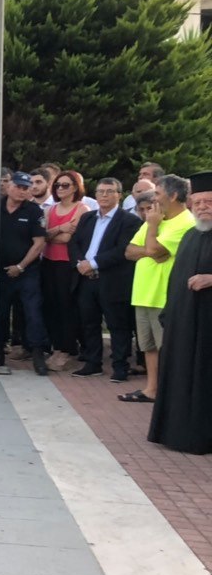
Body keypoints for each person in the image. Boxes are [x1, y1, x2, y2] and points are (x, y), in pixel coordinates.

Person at [148, 171, 212, 454]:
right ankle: (177, 432)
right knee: (181, 376)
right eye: (197, 202)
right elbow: (176, 279)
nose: (202, 207)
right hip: (184, 323)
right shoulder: (190, 236)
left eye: (208, 202)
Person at [120, 174, 195, 404]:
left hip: (163, 295)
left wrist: (152, 228)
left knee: (168, 348)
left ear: (173, 196)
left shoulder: (184, 222)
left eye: (158, 194)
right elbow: (130, 251)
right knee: (149, 346)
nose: (154, 200)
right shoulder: (156, 217)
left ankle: (170, 394)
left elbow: (153, 250)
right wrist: (151, 248)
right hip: (143, 293)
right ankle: (152, 389)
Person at [0, 171, 50, 375]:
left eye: (25, 188)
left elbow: (39, 243)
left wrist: (20, 266)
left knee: (33, 312)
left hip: (27, 271)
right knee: (0, 313)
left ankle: (38, 353)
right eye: (18, 186)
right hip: (0, 271)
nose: (21, 191)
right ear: (9, 186)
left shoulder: (34, 211)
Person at [68, 178, 143, 381]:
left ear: (119, 195)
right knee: (89, 323)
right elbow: (74, 243)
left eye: (109, 191)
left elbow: (122, 250)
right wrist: (80, 264)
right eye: (100, 191)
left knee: (118, 325)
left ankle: (120, 366)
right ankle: (93, 363)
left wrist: (93, 264)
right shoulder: (87, 218)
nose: (104, 195)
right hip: (85, 279)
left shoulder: (129, 221)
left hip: (112, 280)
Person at [41, 171, 91, 370]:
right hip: (48, 261)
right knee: (51, 306)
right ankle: (56, 347)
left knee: (66, 306)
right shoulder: (50, 209)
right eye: (57, 185)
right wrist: (61, 228)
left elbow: (69, 239)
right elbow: (44, 236)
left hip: (67, 264)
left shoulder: (82, 209)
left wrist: (53, 233)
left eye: (65, 185)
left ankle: (67, 349)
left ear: (76, 187)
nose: (60, 188)